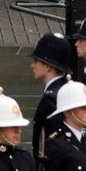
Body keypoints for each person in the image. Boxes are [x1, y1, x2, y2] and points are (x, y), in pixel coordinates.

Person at [27, 33, 75, 161]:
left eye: (36, 61)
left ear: (47, 66)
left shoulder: (51, 99)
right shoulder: (69, 89)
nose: (32, 65)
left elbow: (53, 142)